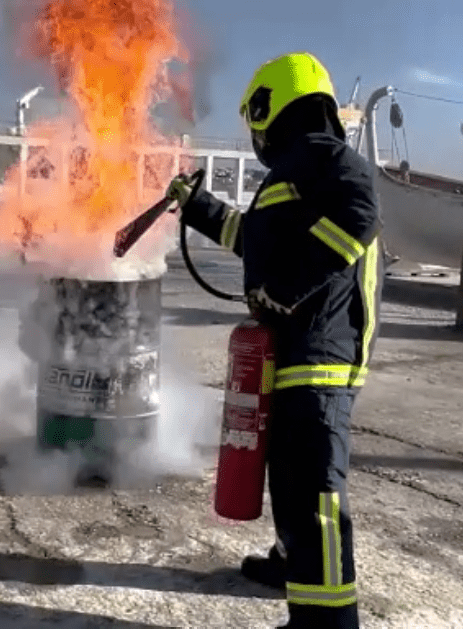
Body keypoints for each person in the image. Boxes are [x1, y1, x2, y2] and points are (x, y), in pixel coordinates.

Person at [168, 52, 383, 629]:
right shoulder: (296, 170)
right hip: (294, 352)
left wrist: (286, 289)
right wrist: (200, 208)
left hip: (322, 356)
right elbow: (256, 242)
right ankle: (294, 563)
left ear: (268, 106)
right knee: (289, 476)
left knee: (315, 493)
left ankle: (327, 621)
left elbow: (361, 215)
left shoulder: (330, 159)